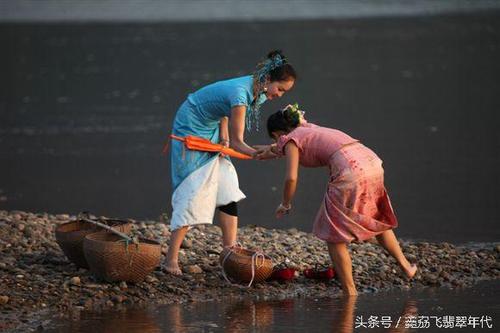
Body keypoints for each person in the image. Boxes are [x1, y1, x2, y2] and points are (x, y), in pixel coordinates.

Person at [163, 50, 297, 275]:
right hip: (192, 126)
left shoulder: (260, 93)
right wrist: (257, 154)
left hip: (212, 127)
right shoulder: (240, 94)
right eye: (280, 89)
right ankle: (170, 260)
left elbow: (224, 116)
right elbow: (238, 143)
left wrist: (223, 138)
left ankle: (228, 251)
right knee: (193, 188)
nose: (280, 95)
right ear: (267, 80)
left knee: (227, 187)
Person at [264, 104, 417, 295]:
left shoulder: (291, 140)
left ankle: (350, 291)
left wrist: (285, 203)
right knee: (376, 219)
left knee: (333, 234)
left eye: (277, 138)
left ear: (279, 133)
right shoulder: (309, 129)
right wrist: (265, 151)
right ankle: (406, 266)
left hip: (351, 170)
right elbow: (283, 149)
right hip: (371, 162)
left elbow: (291, 177)